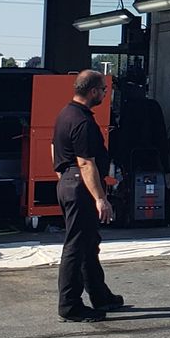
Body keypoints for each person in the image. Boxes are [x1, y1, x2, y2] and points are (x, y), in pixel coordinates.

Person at [54, 69, 124, 322]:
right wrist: (100, 198)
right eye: (104, 90)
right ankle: (70, 305)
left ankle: (100, 295)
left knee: (88, 243)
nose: (106, 94)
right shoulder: (82, 121)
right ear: (93, 91)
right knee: (76, 246)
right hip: (80, 185)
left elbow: (56, 152)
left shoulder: (66, 114)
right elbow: (85, 163)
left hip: (68, 183)